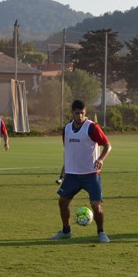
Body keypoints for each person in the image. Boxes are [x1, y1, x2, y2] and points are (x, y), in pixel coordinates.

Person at [50, 99, 112, 243]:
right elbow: (69, 150)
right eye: (77, 113)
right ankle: (66, 231)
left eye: (82, 113)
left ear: (86, 113)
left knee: (96, 206)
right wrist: (65, 168)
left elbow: (108, 146)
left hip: (91, 174)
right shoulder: (66, 129)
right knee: (62, 202)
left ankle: (101, 232)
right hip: (72, 175)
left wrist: (101, 159)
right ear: (72, 113)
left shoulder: (92, 128)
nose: (79, 116)